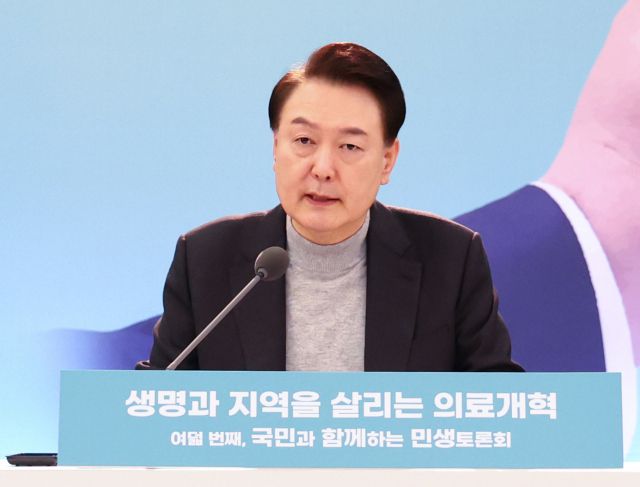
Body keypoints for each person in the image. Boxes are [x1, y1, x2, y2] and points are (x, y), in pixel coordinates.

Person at [136, 42, 522, 372]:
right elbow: (153, 405)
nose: (322, 168)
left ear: (387, 161)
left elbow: (502, 407)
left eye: (349, 146)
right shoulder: (205, 260)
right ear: (276, 148)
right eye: (304, 141)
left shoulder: (451, 260)